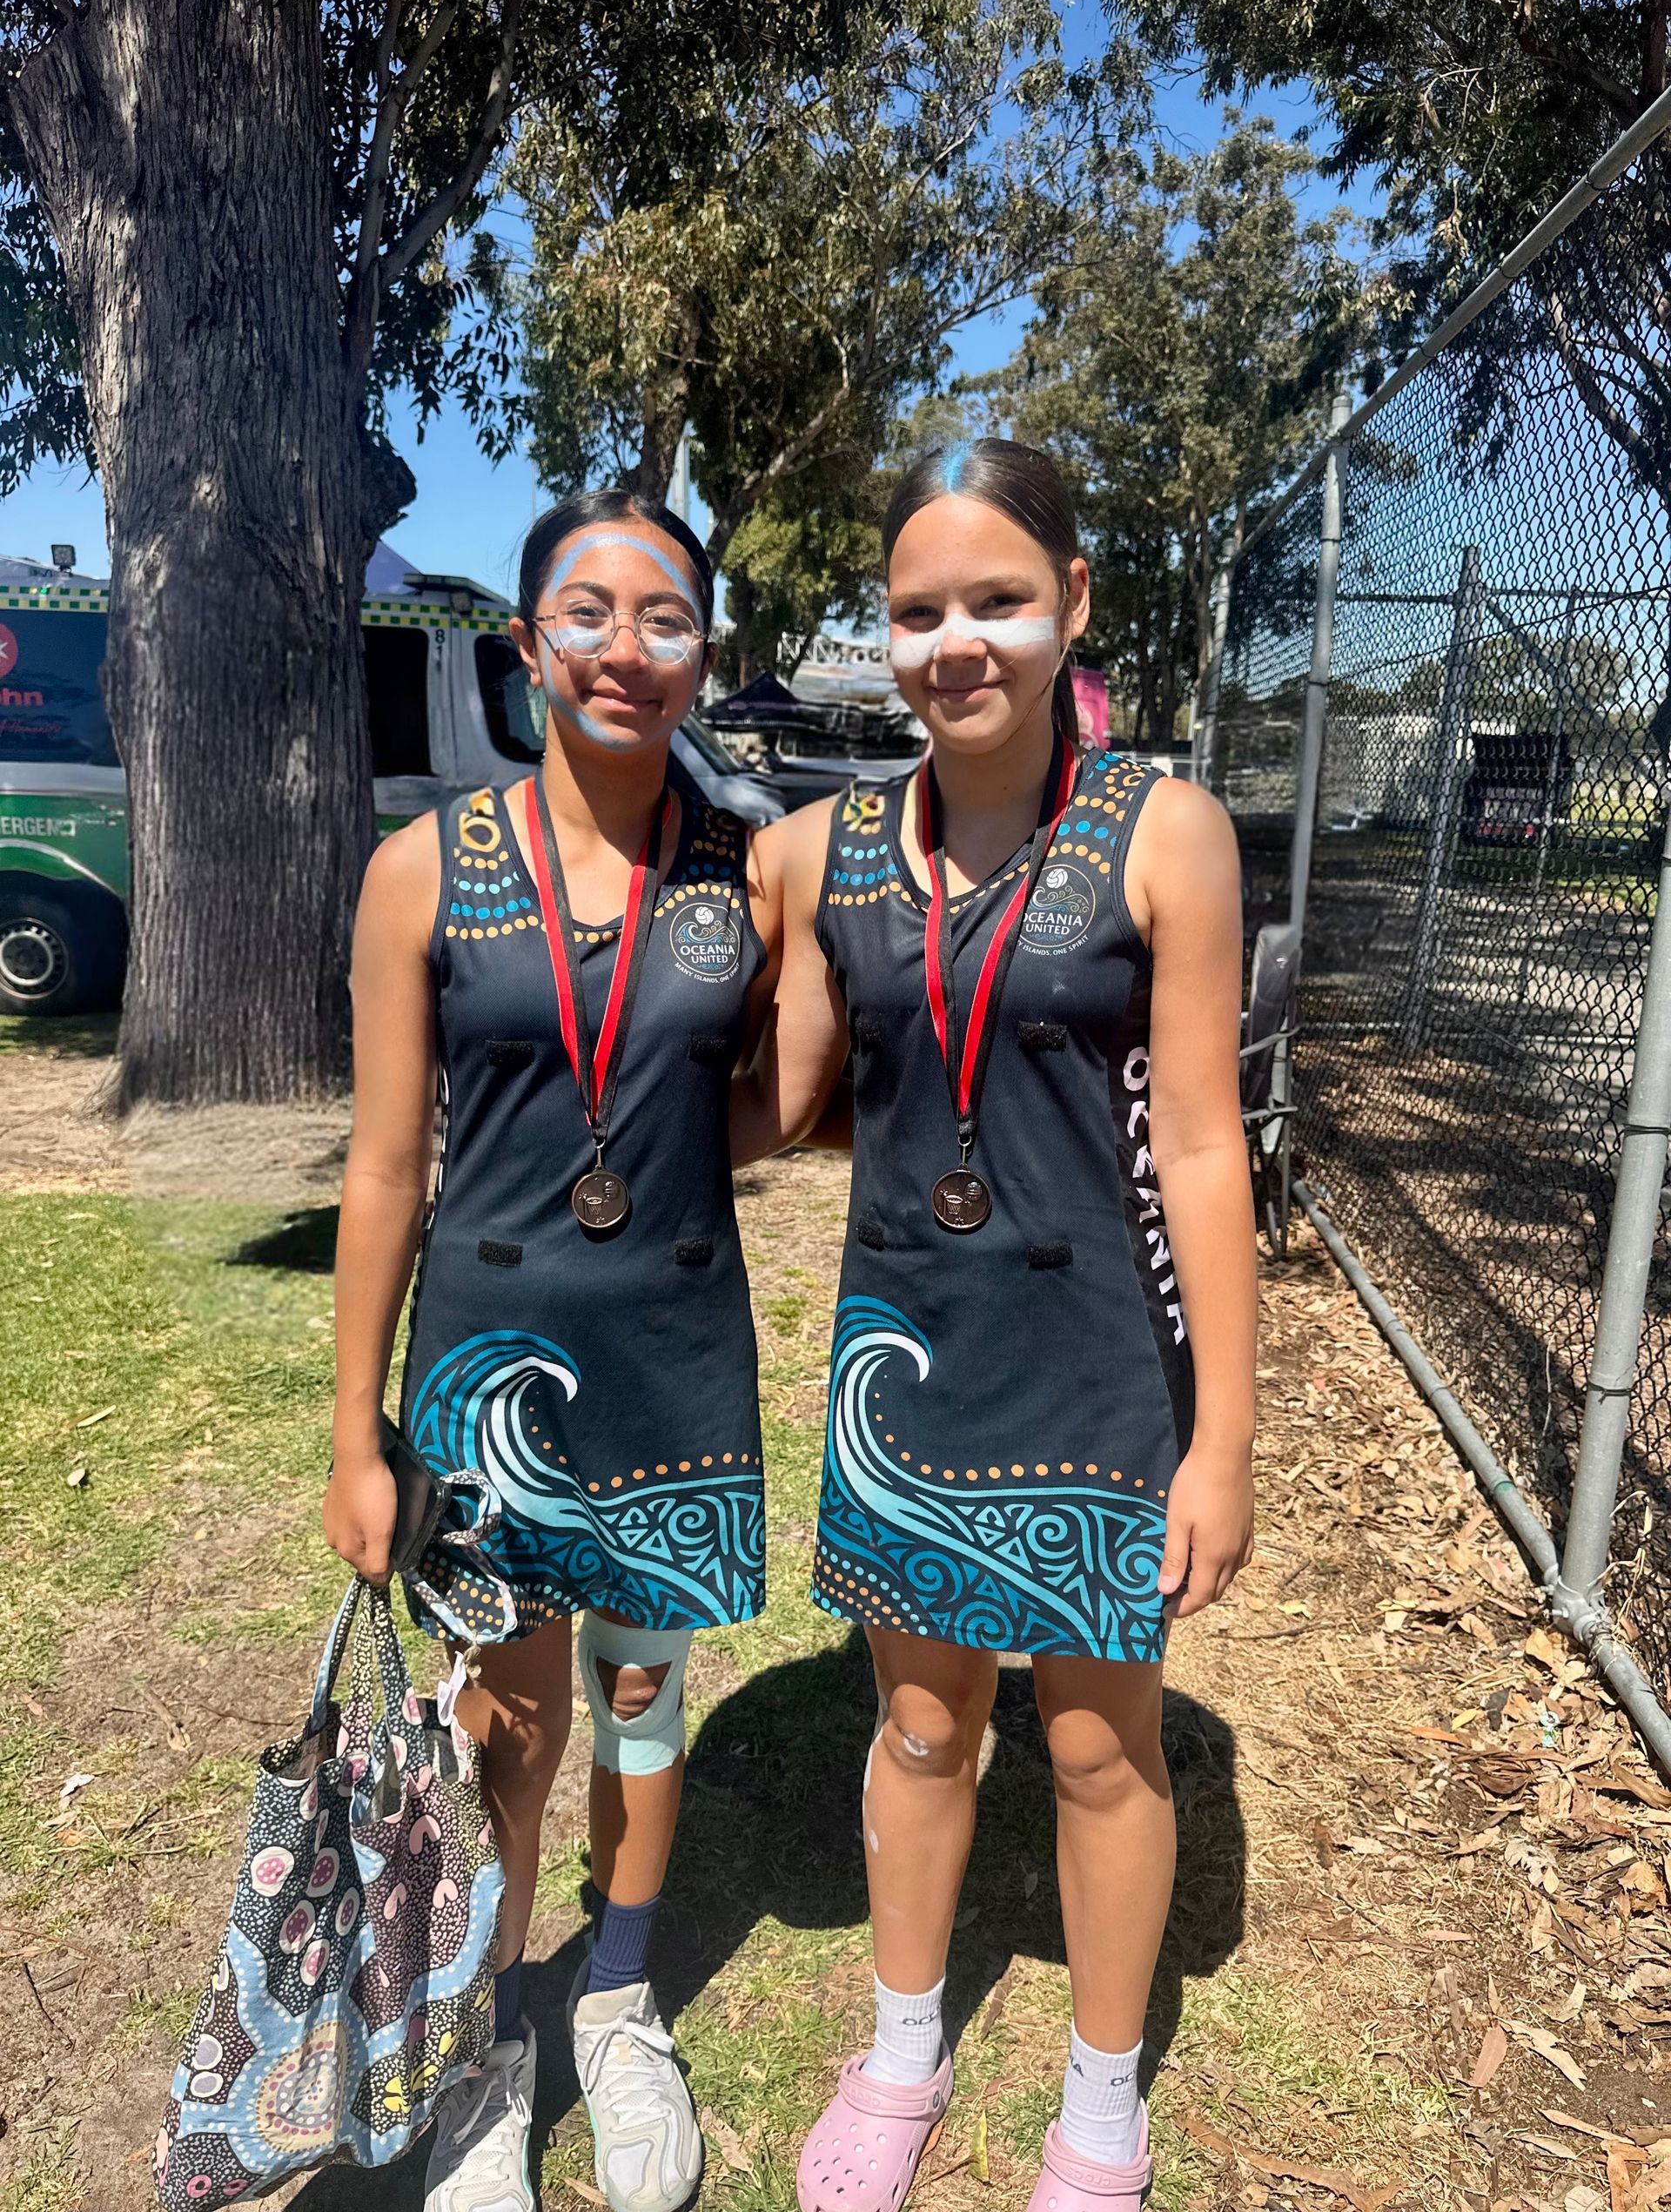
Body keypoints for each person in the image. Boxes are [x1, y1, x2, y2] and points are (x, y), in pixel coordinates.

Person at [735, 439, 1257, 2212]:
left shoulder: (1161, 828)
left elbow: (1198, 1144)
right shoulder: (817, 850)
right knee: (923, 1724)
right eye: (918, 609)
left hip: (1097, 1352)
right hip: (905, 1353)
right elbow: (785, 1099)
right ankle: (902, 2050)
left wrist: (1225, 1435)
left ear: (1072, 608)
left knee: (1103, 1742)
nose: (957, 641)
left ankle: (1100, 2104)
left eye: (999, 601)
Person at [326, 489, 775, 2212]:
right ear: (528, 646)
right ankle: (497, 2041)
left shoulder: (748, 874)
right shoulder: (421, 869)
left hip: (670, 1362)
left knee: (643, 1697)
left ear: (702, 657)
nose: (623, 647)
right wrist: (356, 1434)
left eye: (664, 617)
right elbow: (382, 1163)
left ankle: (618, 1996)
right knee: (507, 1720)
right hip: (479, 1376)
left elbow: (774, 1093)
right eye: (585, 611)